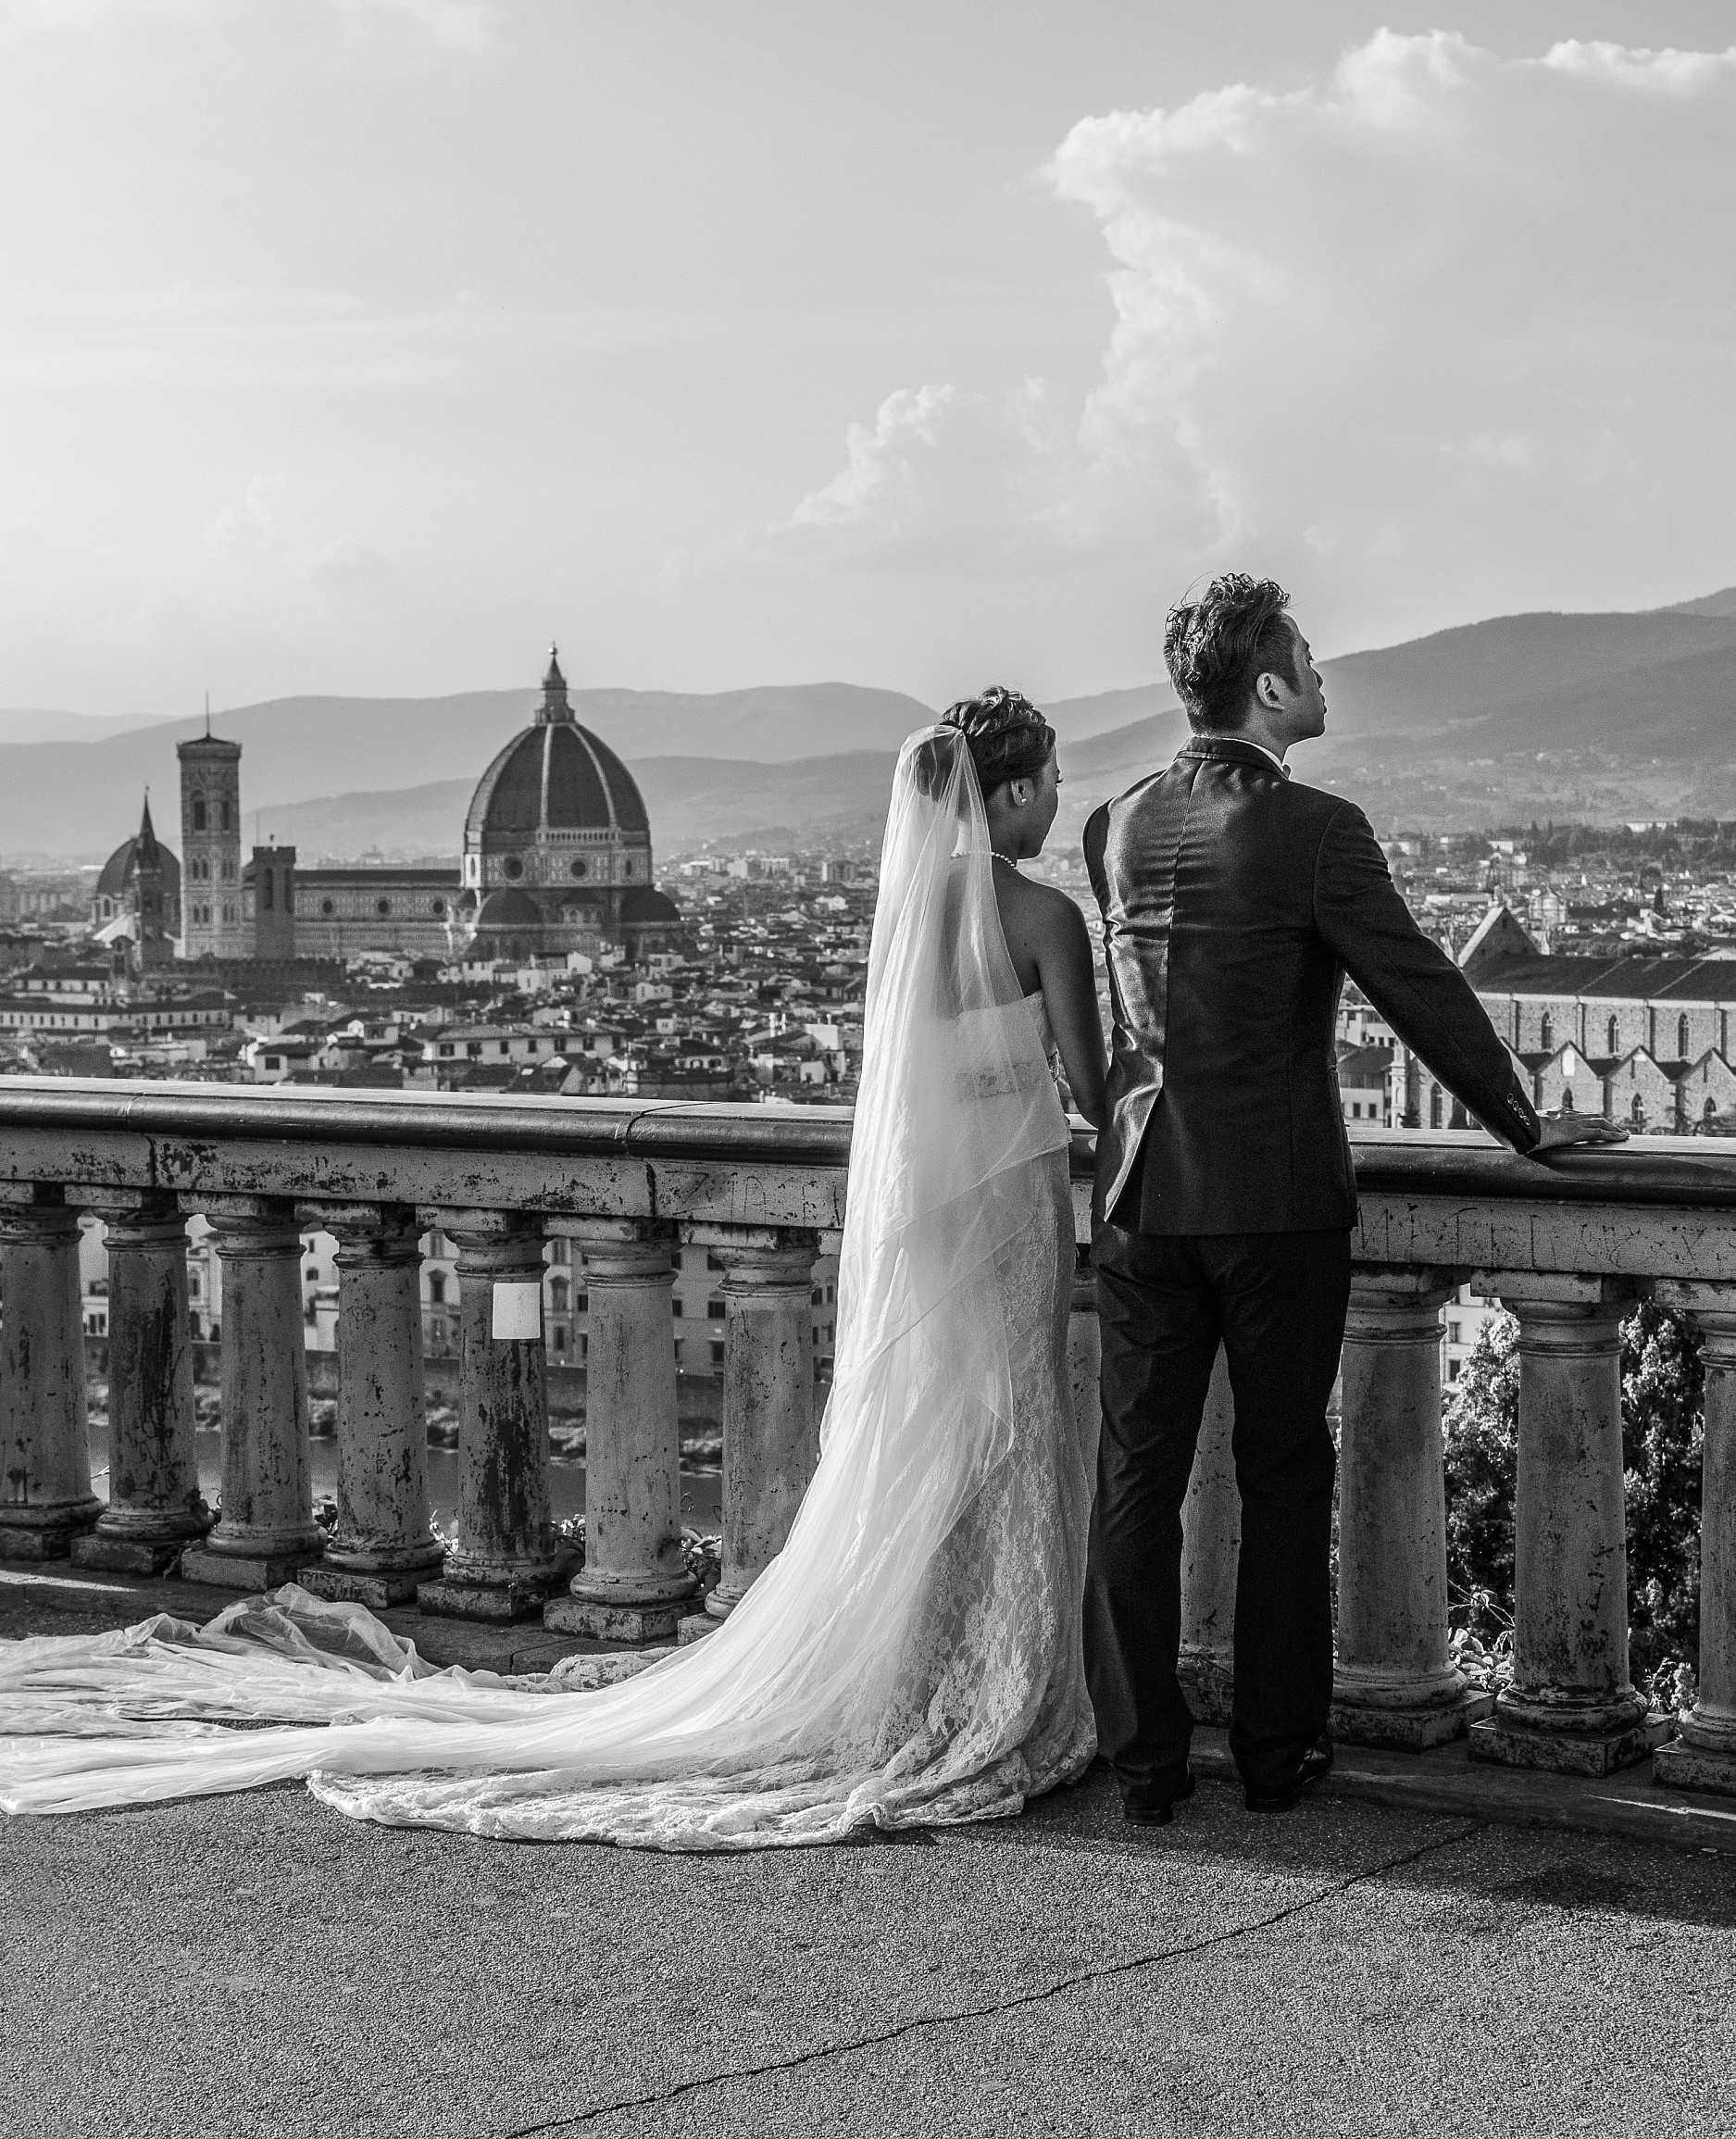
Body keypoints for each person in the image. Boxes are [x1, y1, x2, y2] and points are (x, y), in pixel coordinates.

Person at [0, 694, 1109, 1849]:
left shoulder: (904, 923)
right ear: (1008, 791)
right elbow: (1090, 1080)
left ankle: (919, 1676)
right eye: (1049, 782)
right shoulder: (1043, 918)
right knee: (1007, 1434)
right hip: (1009, 1213)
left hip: (921, 1224)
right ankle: (1002, 1679)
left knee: (916, 1440)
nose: (1057, 801)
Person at [1081, 573, 1626, 1827]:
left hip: (1138, 1189)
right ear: (1270, 688)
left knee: (1135, 1481)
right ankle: (1275, 1757)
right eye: (1311, 661)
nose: (1326, 679)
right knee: (1281, 1473)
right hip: (1274, 1198)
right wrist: (1526, 1122)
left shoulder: (1113, 824)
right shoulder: (1316, 830)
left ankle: (1143, 1766)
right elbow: (1414, 984)